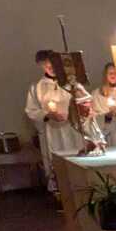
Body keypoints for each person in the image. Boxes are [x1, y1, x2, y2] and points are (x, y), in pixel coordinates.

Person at [24, 49, 80, 191]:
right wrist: (47, 114)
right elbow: (31, 110)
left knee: (75, 159)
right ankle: (59, 193)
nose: (51, 68)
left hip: (71, 128)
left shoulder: (71, 83)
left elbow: (82, 101)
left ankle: (79, 189)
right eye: (46, 65)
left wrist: (74, 111)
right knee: (55, 163)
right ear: (42, 66)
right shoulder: (37, 87)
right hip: (52, 132)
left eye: (53, 64)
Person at [90, 63, 116, 147]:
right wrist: (107, 116)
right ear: (105, 75)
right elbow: (93, 117)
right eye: (110, 73)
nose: (113, 75)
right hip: (106, 135)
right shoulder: (96, 94)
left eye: (115, 73)